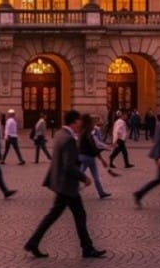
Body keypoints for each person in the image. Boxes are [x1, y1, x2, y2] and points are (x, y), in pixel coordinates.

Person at [24, 110, 106, 259]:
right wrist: (84, 178)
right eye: (79, 120)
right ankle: (87, 248)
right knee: (78, 215)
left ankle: (33, 242)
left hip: (61, 184)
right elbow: (68, 165)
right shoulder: (68, 139)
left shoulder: (60, 134)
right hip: (67, 186)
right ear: (74, 122)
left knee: (56, 215)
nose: (81, 123)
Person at [78, 115, 112, 199]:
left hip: (83, 156)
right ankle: (71, 188)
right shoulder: (88, 133)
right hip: (89, 157)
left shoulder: (81, 132)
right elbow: (93, 146)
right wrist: (101, 159)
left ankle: (101, 193)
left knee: (81, 173)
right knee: (92, 175)